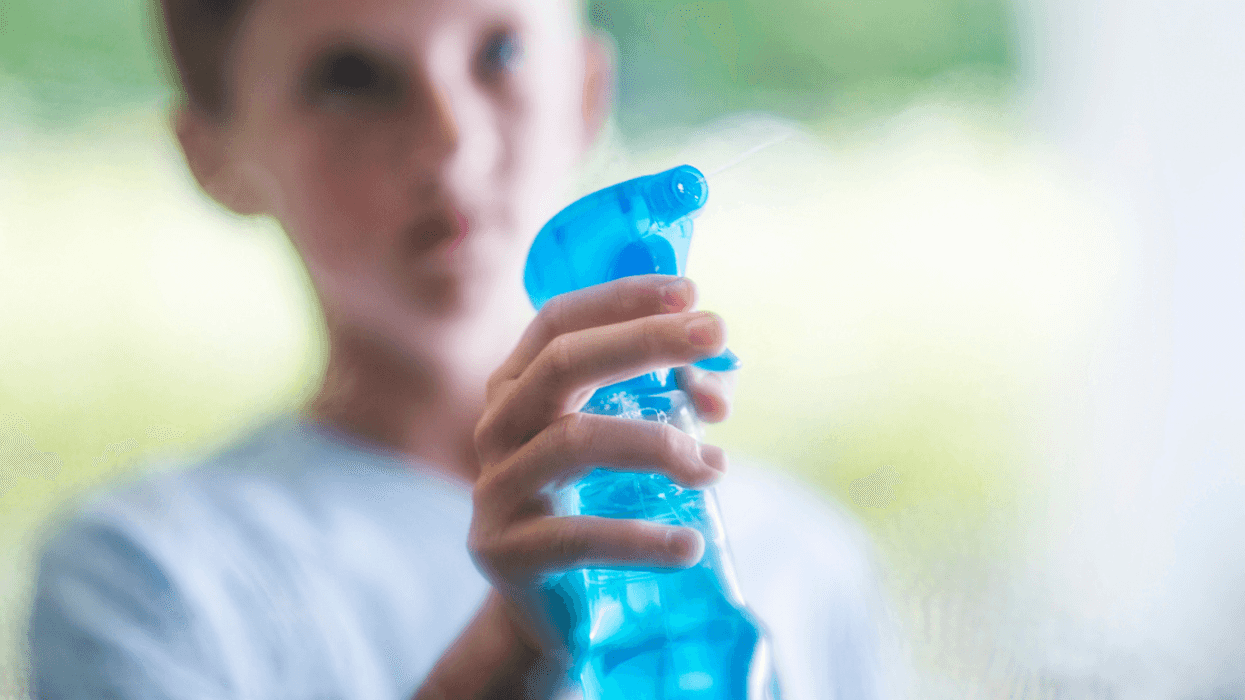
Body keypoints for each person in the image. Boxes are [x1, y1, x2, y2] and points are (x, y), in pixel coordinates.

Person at [26, 0, 895, 697]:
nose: (452, 142)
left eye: (502, 53)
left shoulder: (802, 556)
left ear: (585, 91)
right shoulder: (147, 580)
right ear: (212, 153)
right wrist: (502, 658)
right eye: (351, 77)